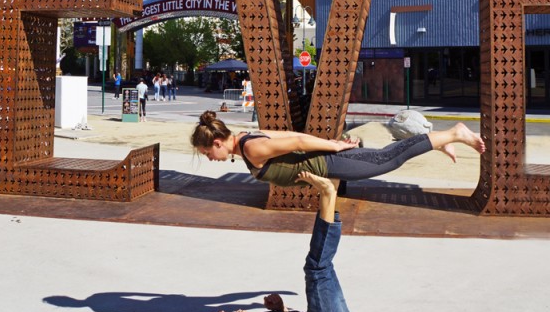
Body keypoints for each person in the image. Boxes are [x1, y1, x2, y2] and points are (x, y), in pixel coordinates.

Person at [195, 171, 354, 312]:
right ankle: (328, 193)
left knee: (323, 267)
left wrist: (281, 309)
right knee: (316, 268)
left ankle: (329, 197)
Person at [190, 111, 485, 187]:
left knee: (388, 160)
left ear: (216, 142)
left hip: (330, 165)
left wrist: (333, 145)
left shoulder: (250, 148)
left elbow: (297, 142)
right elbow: (292, 134)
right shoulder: (247, 137)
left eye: (207, 153)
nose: (210, 159)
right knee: (387, 157)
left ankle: (453, 133)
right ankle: (441, 141)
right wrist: (335, 144)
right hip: (329, 161)